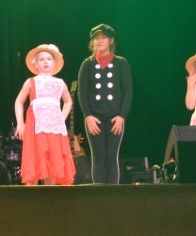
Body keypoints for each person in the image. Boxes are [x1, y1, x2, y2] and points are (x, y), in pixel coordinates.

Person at [76, 24, 132, 184]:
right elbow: (82, 93)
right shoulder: (87, 64)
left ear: (111, 40)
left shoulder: (121, 63)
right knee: (98, 157)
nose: (99, 41)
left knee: (112, 158)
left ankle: (112, 194)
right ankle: (98, 194)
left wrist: (122, 116)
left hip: (115, 118)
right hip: (95, 118)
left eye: (103, 38)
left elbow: (128, 91)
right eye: (96, 38)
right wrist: (88, 116)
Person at [14, 44, 76, 186]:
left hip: (54, 128)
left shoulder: (60, 83)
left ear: (54, 63)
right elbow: (19, 101)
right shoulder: (31, 82)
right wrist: (20, 123)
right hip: (35, 125)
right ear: (35, 64)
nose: (46, 62)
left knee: (53, 159)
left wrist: (61, 118)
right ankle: (32, 193)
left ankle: (50, 195)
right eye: (41, 59)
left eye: (49, 59)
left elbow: (68, 101)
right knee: (35, 156)